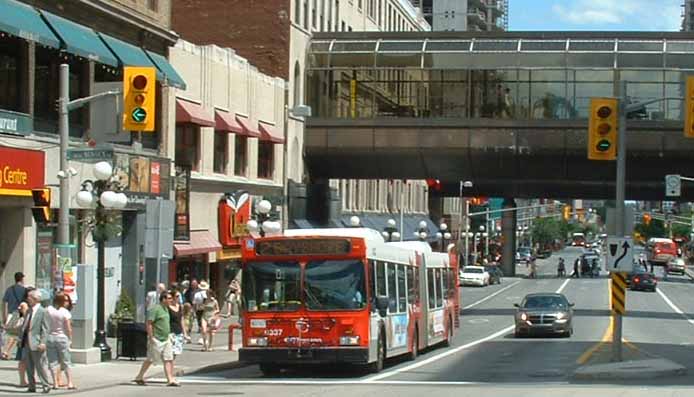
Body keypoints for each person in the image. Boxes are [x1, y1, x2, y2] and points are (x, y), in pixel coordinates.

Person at [133, 292, 179, 387]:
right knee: (151, 359)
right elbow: (149, 323)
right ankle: (139, 376)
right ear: (163, 299)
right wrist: (151, 337)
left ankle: (170, 379)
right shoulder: (155, 309)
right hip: (157, 338)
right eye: (169, 298)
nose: (171, 300)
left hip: (166, 338)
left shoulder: (166, 309)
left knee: (168, 358)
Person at [21, 289, 52, 393]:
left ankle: (46, 385)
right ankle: (31, 386)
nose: (27, 299)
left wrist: (43, 342)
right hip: (27, 342)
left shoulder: (43, 311)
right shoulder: (29, 310)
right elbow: (25, 326)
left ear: (36, 299)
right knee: (29, 366)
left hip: (37, 342)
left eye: (29, 297)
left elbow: (45, 329)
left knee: (40, 366)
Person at [46, 293, 75, 390]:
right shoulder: (65, 312)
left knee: (53, 362)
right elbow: (68, 328)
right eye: (65, 301)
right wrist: (70, 339)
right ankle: (70, 382)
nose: (67, 303)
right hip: (62, 338)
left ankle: (55, 383)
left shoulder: (49, 310)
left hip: (50, 337)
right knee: (66, 361)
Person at [2, 272, 26, 360]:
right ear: (22, 279)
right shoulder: (24, 290)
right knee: (15, 335)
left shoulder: (9, 289)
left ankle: (7, 352)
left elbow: (5, 303)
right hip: (20, 314)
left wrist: (4, 316)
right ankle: (6, 352)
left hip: (10, 314)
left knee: (11, 334)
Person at [168, 290, 187, 357]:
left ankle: (170, 366)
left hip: (178, 331)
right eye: (177, 296)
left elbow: (181, 319)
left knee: (176, 352)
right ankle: (169, 367)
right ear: (173, 297)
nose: (178, 298)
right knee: (170, 352)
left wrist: (185, 333)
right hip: (170, 331)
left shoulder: (180, 307)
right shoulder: (168, 307)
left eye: (179, 296)